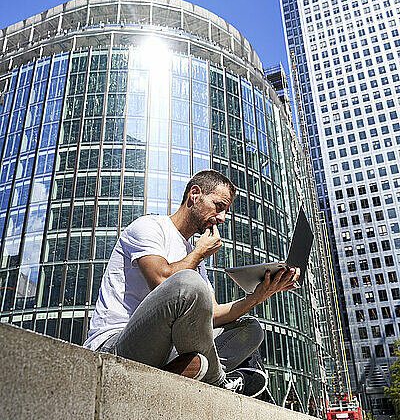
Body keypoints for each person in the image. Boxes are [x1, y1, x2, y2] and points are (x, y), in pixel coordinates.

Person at [83, 169, 300, 397]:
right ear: (194, 195)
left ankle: (183, 370)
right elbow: (163, 280)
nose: (222, 218)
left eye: (225, 211)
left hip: (165, 350)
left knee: (249, 328)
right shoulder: (149, 227)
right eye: (219, 206)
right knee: (188, 281)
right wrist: (198, 254)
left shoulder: (194, 255)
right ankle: (217, 381)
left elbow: (213, 314)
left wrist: (259, 295)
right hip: (116, 345)